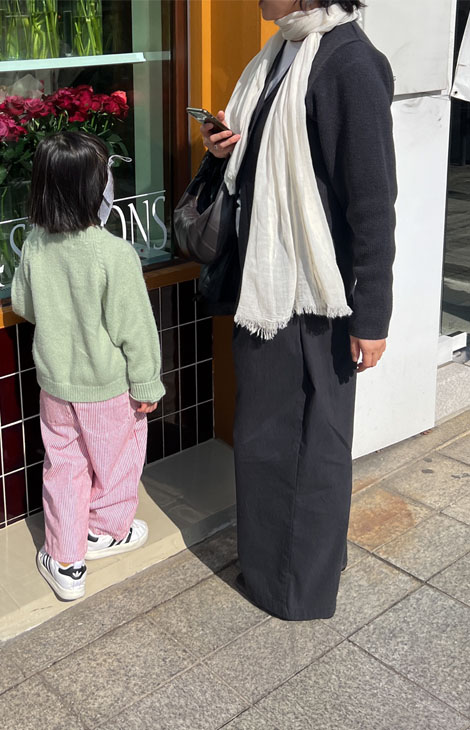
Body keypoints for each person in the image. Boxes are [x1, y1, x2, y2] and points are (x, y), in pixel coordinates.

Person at [201, 0, 396, 620]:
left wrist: (374, 315)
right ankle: (283, 567)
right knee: (269, 440)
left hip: (315, 296)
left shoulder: (350, 64)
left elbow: (373, 201)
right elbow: (265, 161)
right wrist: (221, 148)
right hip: (268, 288)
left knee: (309, 448)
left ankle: (297, 587)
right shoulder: (283, 49)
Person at [12, 131, 164, 601]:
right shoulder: (115, 253)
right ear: (95, 188)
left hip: (56, 387)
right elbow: (136, 330)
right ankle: (105, 530)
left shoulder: (35, 245)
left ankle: (65, 561)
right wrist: (147, 384)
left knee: (64, 467)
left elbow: (23, 305)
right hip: (109, 388)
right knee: (118, 460)